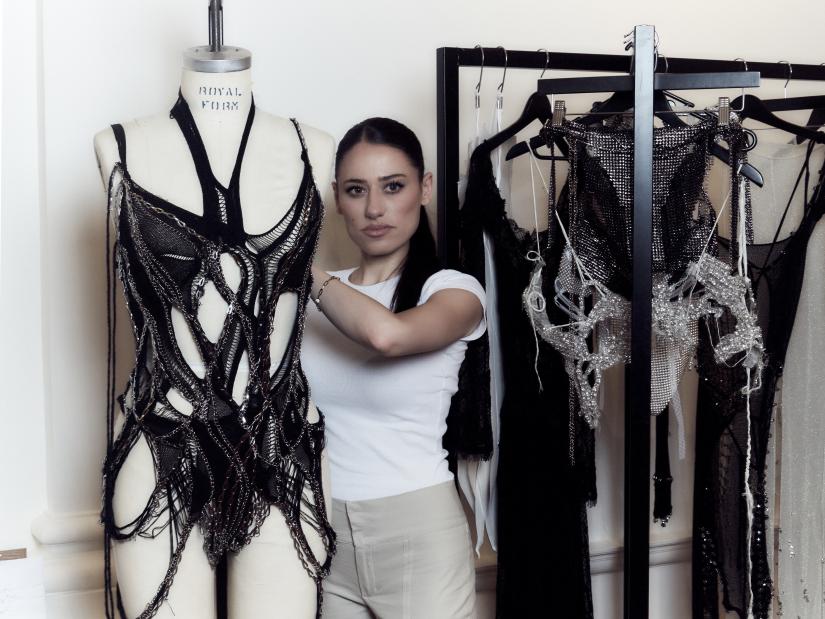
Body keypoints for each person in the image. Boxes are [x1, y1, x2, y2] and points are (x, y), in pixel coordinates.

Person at [300, 117, 484, 618]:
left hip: (418, 532)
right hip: (322, 527)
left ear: (424, 188)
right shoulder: (318, 297)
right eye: (356, 190)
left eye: (393, 186)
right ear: (338, 198)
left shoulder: (453, 290)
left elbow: (387, 336)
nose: (374, 209)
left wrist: (299, 267)